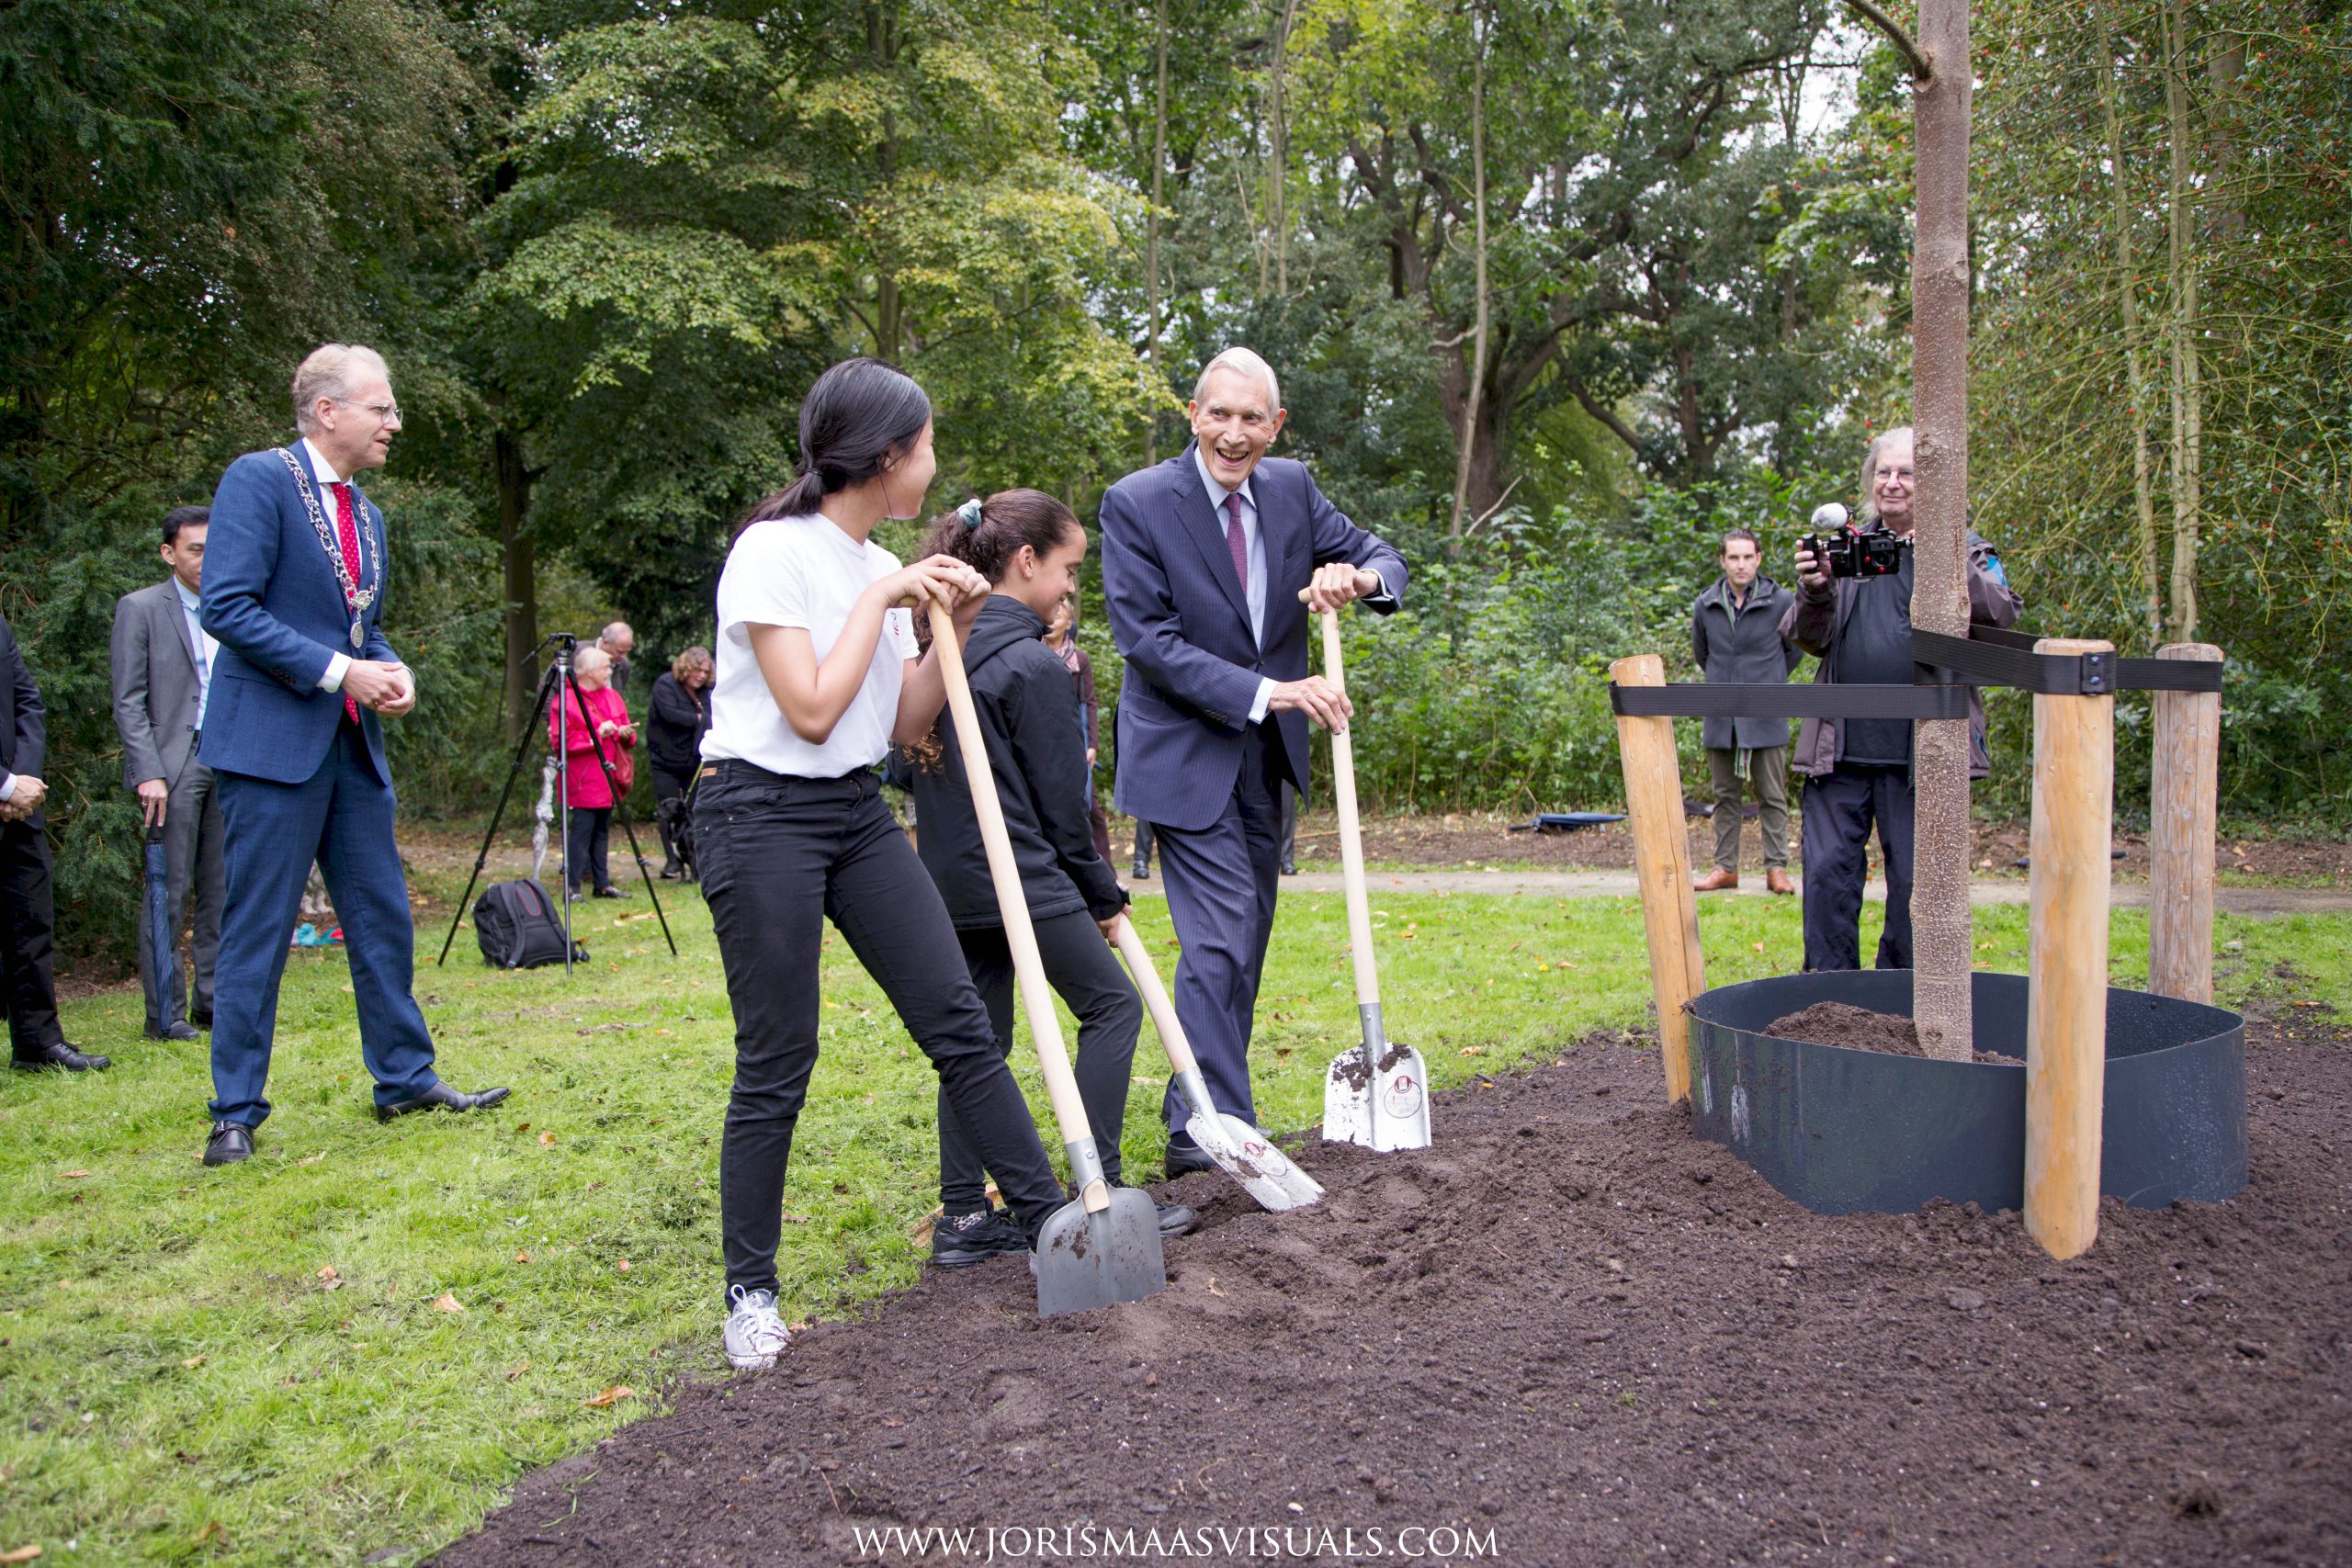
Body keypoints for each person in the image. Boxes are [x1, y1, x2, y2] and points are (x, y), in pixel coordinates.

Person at [694, 356, 1074, 1371]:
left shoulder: (874, 567)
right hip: (755, 812)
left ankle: (1054, 1226)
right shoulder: (773, 553)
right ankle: (750, 1293)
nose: (934, 464)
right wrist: (887, 597)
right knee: (779, 1054)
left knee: (959, 1023)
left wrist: (949, 624)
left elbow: (902, 725)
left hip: (854, 813)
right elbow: (812, 709)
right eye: (929, 445)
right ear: (889, 454)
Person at [197, 343, 509, 1168]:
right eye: (382, 407)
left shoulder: (366, 513)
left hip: (351, 749)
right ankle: (234, 1112)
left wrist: (392, 670)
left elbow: (362, 628)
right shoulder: (258, 480)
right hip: (271, 748)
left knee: (382, 917)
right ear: (327, 410)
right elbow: (226, 606)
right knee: (258, 930)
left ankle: (404, 1079)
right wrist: (343, 672)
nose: (394, 422)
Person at [1099, 345, 1408, 1179]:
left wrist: (1357, 579)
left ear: (1276, 425)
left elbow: (1388, 560)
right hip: (1182, 751)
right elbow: (1149, 643)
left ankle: (1191, 1117)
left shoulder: (1292, 489)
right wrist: (1272, 691)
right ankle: (1222, 1124)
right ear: (1193, 415)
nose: (1233, 434)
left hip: (1265, 760)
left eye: (1251, 418)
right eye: (1219, 415)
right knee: (1222, 931)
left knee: (1246, 939)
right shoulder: (1137, 502)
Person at [907, 491, 1193, 1268]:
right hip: (1024, 878)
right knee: (1112, 1006)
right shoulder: (1033, 665)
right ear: (1026, 561)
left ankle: (965, 1215)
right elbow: (1065, 807)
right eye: (1067, 568)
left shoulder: (939, 656)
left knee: (977, 1041)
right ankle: (1097, 1184)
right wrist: (1101, 892)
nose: (1070, 587)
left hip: (951, 883)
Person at [1782, 425, 2024, 972]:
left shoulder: (1968, 549)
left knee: (1916, 887)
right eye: (1884, 472)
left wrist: (1941, 552)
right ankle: (1829, 996)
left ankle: (1903, 998)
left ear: (1933, 484)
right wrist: (1815, 590)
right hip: (1839, 751)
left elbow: (2001, 613)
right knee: (1825, 878)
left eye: (1907, 473)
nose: (1892, 482)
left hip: (1925, 754)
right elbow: (1809, 638)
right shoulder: (1847, 548)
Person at [111, 505, 230, 1039]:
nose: (206, 559)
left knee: (222, 891)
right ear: (169, 553)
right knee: (169, 891)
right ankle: (165, 1016)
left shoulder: (234, 606)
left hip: (230, 760)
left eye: (213, 548)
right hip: (172, 767)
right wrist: (148, 772)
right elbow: (128, 701)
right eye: (195, 549)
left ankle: (212, 1003)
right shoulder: (139, 609)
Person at [2, 615, 107, 1073]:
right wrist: (5, 785)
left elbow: (27, 699)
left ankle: (37, 1044)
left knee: (30, 925)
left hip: (19, 811)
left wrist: (21, 783)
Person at [1690, 527, 1799, 897]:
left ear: (1758, 559)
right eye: (1733, 557)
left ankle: (1777, 869)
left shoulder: (1781, 600)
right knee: (1725, 796)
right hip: (1721, 714)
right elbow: (1703, 655)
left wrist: (1768, 680)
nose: (1741, 564)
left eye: (1747, 557)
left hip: (1766, 711)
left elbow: (1794, 650)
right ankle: (1725, 868)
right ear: (1723, 561)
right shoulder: (1706, 604)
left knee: (1772, 795)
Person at [551, 644, 636, 900]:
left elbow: (626, 731)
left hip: (608, 775)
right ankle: (572, 887)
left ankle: (602, 884)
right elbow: (561, 742)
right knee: (581, 833)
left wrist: (625, 733)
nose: (609, 672)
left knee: (601, 831)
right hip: (584, 777)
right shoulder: (565, 701)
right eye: (605, 668)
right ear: (588, 672)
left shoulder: (612, 697)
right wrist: (596, 734)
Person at [1044, 593, 1116, 864]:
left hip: (1075, 740)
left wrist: (1092, 745)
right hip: (1044, 737)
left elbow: (1089, 703)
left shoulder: (1079, 659)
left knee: (1091, 807)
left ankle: (1107, 872)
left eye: (1060, 616)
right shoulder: (1033, 652)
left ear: (1069, 622)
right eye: (1053, 615)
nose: (1054, 621)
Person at [647, 645, 714, 879]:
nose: (701, 676)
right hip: (665, 759)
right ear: (686, 667)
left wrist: (701, 719)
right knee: (666, 810)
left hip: (693, 760)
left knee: (696, 810)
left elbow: (713, 716)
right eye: (697, 670)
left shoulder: (706, 691)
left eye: (705, 672)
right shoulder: (665, 685)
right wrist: (699, 718)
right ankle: (672, 860)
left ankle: (698, 859)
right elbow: (671, 715)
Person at [593, 622, 635, 694]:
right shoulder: (578, 654)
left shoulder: (623, 664)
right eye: (620, 652)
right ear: (605, 643)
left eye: (626, 652)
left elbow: (617, 696)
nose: (624, 657)